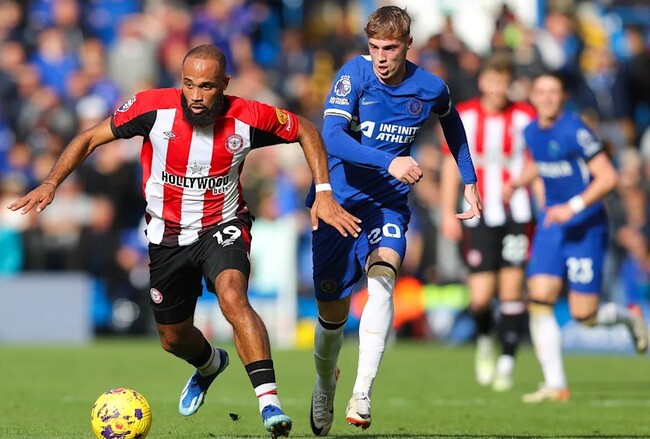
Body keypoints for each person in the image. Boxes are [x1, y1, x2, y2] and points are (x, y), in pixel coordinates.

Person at [7, 44, 361, 438]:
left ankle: (269, 403)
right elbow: (89, 138)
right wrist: (51, 183)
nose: (196, 95)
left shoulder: (249, 116)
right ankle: (210, 364)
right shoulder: (151, 109)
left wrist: (324, 191)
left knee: (232, 295)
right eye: (189, 84)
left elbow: (306, 131)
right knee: (173, 339)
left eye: (207, 87)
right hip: (167, 236)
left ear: (224, 84)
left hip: (223, 225)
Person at [306, 6, 481, 435]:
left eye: (390, 48)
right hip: (339, 205)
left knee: (384, 278)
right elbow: (331, 137)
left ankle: (362, 392)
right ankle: (324, 383)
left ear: (407, 46)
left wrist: (469, 181)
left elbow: (452, 124)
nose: (381, 57)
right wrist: (392, 161)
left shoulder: (430, 86)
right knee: (331, 313)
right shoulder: (355, 74)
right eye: (375, 47)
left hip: (386, 204)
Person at [503, 73, 649, 403]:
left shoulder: (575, 130)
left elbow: (608, 177)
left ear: (562, 96)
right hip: (552, 227)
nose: (547, 98)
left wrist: (573, 207)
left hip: (585, 226)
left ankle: (629, 316)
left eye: (553, 92)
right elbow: (538, 163)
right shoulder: (530, 131)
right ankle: (555, 384)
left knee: (585, 315)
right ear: (533, 97)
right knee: (539, 297)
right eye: (541, 92)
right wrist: (517, 182)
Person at [440, 53, 536, 392]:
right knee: (480, 297)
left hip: (516, 213)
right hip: (477, 214)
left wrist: (522, 181)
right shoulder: (463, 115)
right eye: (492, 81)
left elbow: (537, 160)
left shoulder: (525, 117)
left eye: (503, 82)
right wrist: (445, 214)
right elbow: (451, 166)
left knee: (512, 290)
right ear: (483, 82)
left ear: (509, 83)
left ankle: (507, 362)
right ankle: (484, 342)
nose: (497, 88)